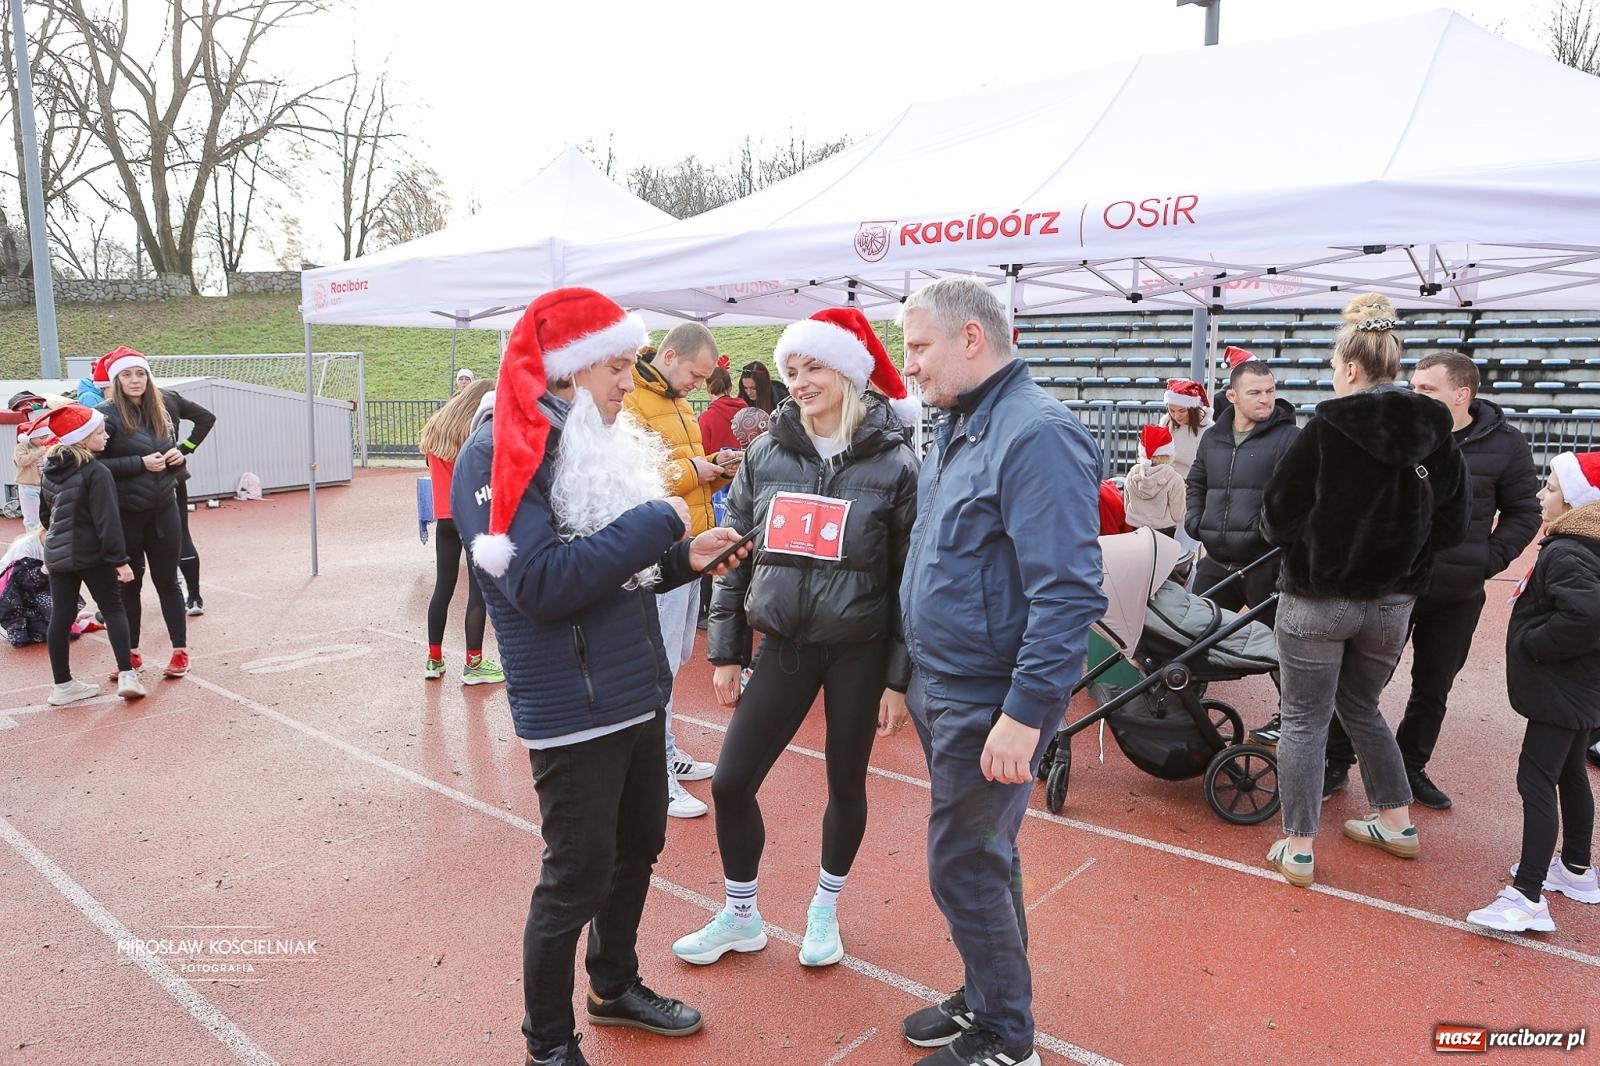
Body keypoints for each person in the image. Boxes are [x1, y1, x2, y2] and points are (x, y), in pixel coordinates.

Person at [450, 287, 751, 1066]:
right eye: (617, 366)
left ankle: (613, 986)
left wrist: (684, 558)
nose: (629, 380)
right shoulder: (500, 447)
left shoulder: (581, 434)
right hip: (572, 705)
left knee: (637, 845)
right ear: (570, 368)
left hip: (630, 689)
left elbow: (616, 575)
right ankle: (547, 1046)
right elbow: (542, 586)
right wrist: (656, 523)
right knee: (575, 876)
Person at [896, 278, 1105, 1066]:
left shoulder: (1035, 432)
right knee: (984, 856)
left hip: (989, 695)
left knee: (963, 863)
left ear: (971, 338)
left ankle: (1008, 1039)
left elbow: (1069, 591)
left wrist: (1024, 712)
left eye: (919, 346)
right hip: (945, 680)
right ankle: (987, 998)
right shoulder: (965, 422)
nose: (909, 364)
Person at [673, 307, 920, 970]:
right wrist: (726, 652)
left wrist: (899, 678)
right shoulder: (765, 451)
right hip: (783, 642)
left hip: (859, 649)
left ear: (846, 372)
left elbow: (908, 578)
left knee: (845, 781)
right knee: (729, 783)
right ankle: (742, 915)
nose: (801, 380)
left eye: (813, 367)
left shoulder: (896, 463)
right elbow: (734, 555)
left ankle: (824, 910)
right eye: (791, 369)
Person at [1259, 293, 1469, 889]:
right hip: (1393, 602)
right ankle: (1397, 821)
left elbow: (1277, 515)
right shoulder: (1439, 433)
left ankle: (1298, 846)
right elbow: (1453, 526)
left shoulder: (1325, 427)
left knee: (1303, 718)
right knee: (1361, 705)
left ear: (1350, 367)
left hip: (1317, 599)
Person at [1325, 351, 1540, 809]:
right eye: (1414, 385)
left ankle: (1409, 770)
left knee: (1433, 687)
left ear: (1461, 394)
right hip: (1393, 585)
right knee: (1363, 682)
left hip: (1457, 592)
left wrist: (1487, 559)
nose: (1414, 394)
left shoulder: (1507, 445)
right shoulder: (1403, 431)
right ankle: (1334, 762)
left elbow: (1525, 513)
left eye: (1427, 389)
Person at [1466, 451, 1600, 932]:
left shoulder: (1568, 549)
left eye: (1551, 489)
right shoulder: (1583, 543)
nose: (1541, 495)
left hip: (1563, 688)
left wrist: (1533, 644)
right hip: (1581, 687)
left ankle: (1527, 896)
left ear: (1575, 502)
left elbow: (1587, 616)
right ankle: (1578, 869)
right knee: (1568, 772)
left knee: (1535, 780)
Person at [624, 325, 734, 818]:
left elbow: (683, 469)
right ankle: (654, 769)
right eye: (696, 374)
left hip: (686, 545)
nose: (698, 383)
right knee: (659, 663)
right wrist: (700, 470)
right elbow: (637, 474)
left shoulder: (677, 402)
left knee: (677, 655)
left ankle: (664, 752)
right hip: (660, 550)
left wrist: (715, 465)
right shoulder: (632, 401)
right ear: (669, 356)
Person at [1186, 358, 1301, 742]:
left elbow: (1295, 497)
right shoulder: (1213, 437)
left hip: (1265, 564)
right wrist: (1195, 522)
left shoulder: (1289, 438)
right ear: (1232, 395)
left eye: (1270, 390)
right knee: (1188, 635)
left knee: (1280, 645)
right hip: (1216, 559)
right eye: (1255, 392)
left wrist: (1265, 534)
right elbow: (1197, 481)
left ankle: (1291, 719)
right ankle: (1182, 703)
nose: (1266, 399)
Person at [95, 347, 207, 680]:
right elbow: (94, 464)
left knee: (168, 582)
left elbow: (186, 438)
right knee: (130, 586)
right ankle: (130, 655)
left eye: (140, 373)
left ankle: (180, 651)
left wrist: (180, 456)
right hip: (126, 513)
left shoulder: (159, 409)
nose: (135, 380)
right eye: (127, 374)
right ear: (116, 379)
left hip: (164, 508)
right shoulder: (104, 415)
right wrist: (137, 464)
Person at [36, 404, 142, 705]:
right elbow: (107, 520)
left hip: (57, 554)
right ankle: (127, 674)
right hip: (90, 554)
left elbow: (46, 518)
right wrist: (120, 560)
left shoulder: (49, 470)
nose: (106, 436)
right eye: (99, 432)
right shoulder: (97, 471)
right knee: (113, 608)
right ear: (82, 439)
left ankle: (62, 685)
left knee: (61, 615)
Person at [418, 378, 505, 686]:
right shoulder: (473, 435)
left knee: (443, 587)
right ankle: (473, 662)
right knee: (478, 591)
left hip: (443, 520)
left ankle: (434, 658)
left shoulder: (435, 427)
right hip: (469, 516)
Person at [1124, 424, 1186, 537]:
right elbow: (1178, 515)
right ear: (1169, 453)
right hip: (1165, 530)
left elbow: (1127, 505)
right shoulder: (1174, 478)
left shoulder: (1132, 474)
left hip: (1136, 528)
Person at [1161, 378, 1212, 479]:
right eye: (1172, 411)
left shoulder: (1208, 429)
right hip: (1166, 481)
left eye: (1182, 411)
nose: (1176, 416)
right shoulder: (1166, 422)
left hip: (1194, 484)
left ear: (1192, 409)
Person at [696, 360, 747, 455]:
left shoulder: (706, 418)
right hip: (743, 466)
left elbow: (703, 452)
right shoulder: (745, 411)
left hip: (718, 467)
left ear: (708, 387)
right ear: (730, 387)